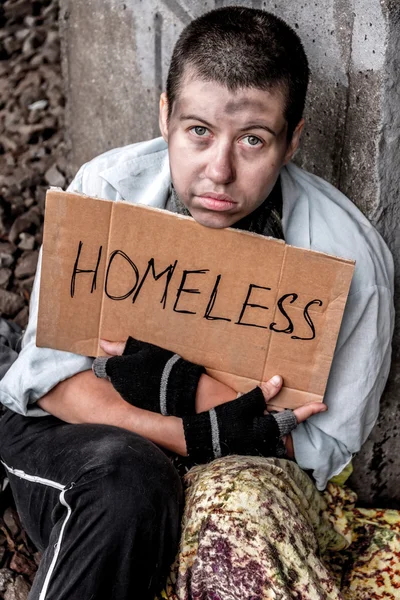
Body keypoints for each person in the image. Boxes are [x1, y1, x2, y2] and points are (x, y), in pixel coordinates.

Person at [0, 6, 394, 600]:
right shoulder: (109, 194)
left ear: (292, 142)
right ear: (165, 116)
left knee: (237, 519)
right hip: (83, 440)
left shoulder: (349, 262)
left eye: (254, 140)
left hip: (244, 476)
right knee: (126, 480)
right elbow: (47, 379)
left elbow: (317, 448)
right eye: (199, 131)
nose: (220, 171)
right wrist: (199, 428)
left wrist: (179, 388)